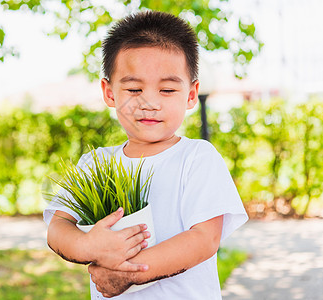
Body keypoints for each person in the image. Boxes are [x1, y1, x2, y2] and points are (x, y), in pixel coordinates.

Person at [43, 10, 248, 299]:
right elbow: (58, 227)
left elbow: (204, 239)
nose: (149, 102)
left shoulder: (197, 158)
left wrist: (128, 273)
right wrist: (89, 247)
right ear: (110, 92)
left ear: (191, 95)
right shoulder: (95, 164)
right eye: (134, 88)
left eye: (166, 89)